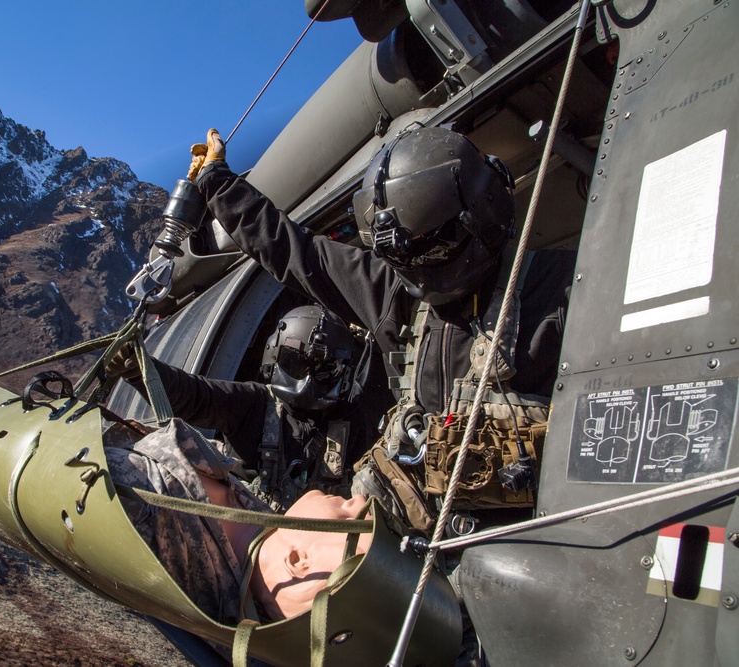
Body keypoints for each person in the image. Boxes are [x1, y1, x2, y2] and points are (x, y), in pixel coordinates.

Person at [186, 126, 576, 528]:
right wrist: (216, 183)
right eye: (406, 258)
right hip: (419, 538)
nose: (420, 272)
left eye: (433, 249)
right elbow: (292, 249)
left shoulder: (565, 287)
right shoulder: (397, 293)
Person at [109, 303, 379, 509]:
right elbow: (193, 395)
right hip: (250, 539)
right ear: (275, 356)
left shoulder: (351, 423)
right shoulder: (253, 403)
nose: (309, 378)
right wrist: (138, 369)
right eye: (297, 362)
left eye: (326, 368)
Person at [104, 417, 372, 625]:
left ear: (297, 561)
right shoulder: (261, 527)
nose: (359, 502)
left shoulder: (150, 510)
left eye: (353, 522)